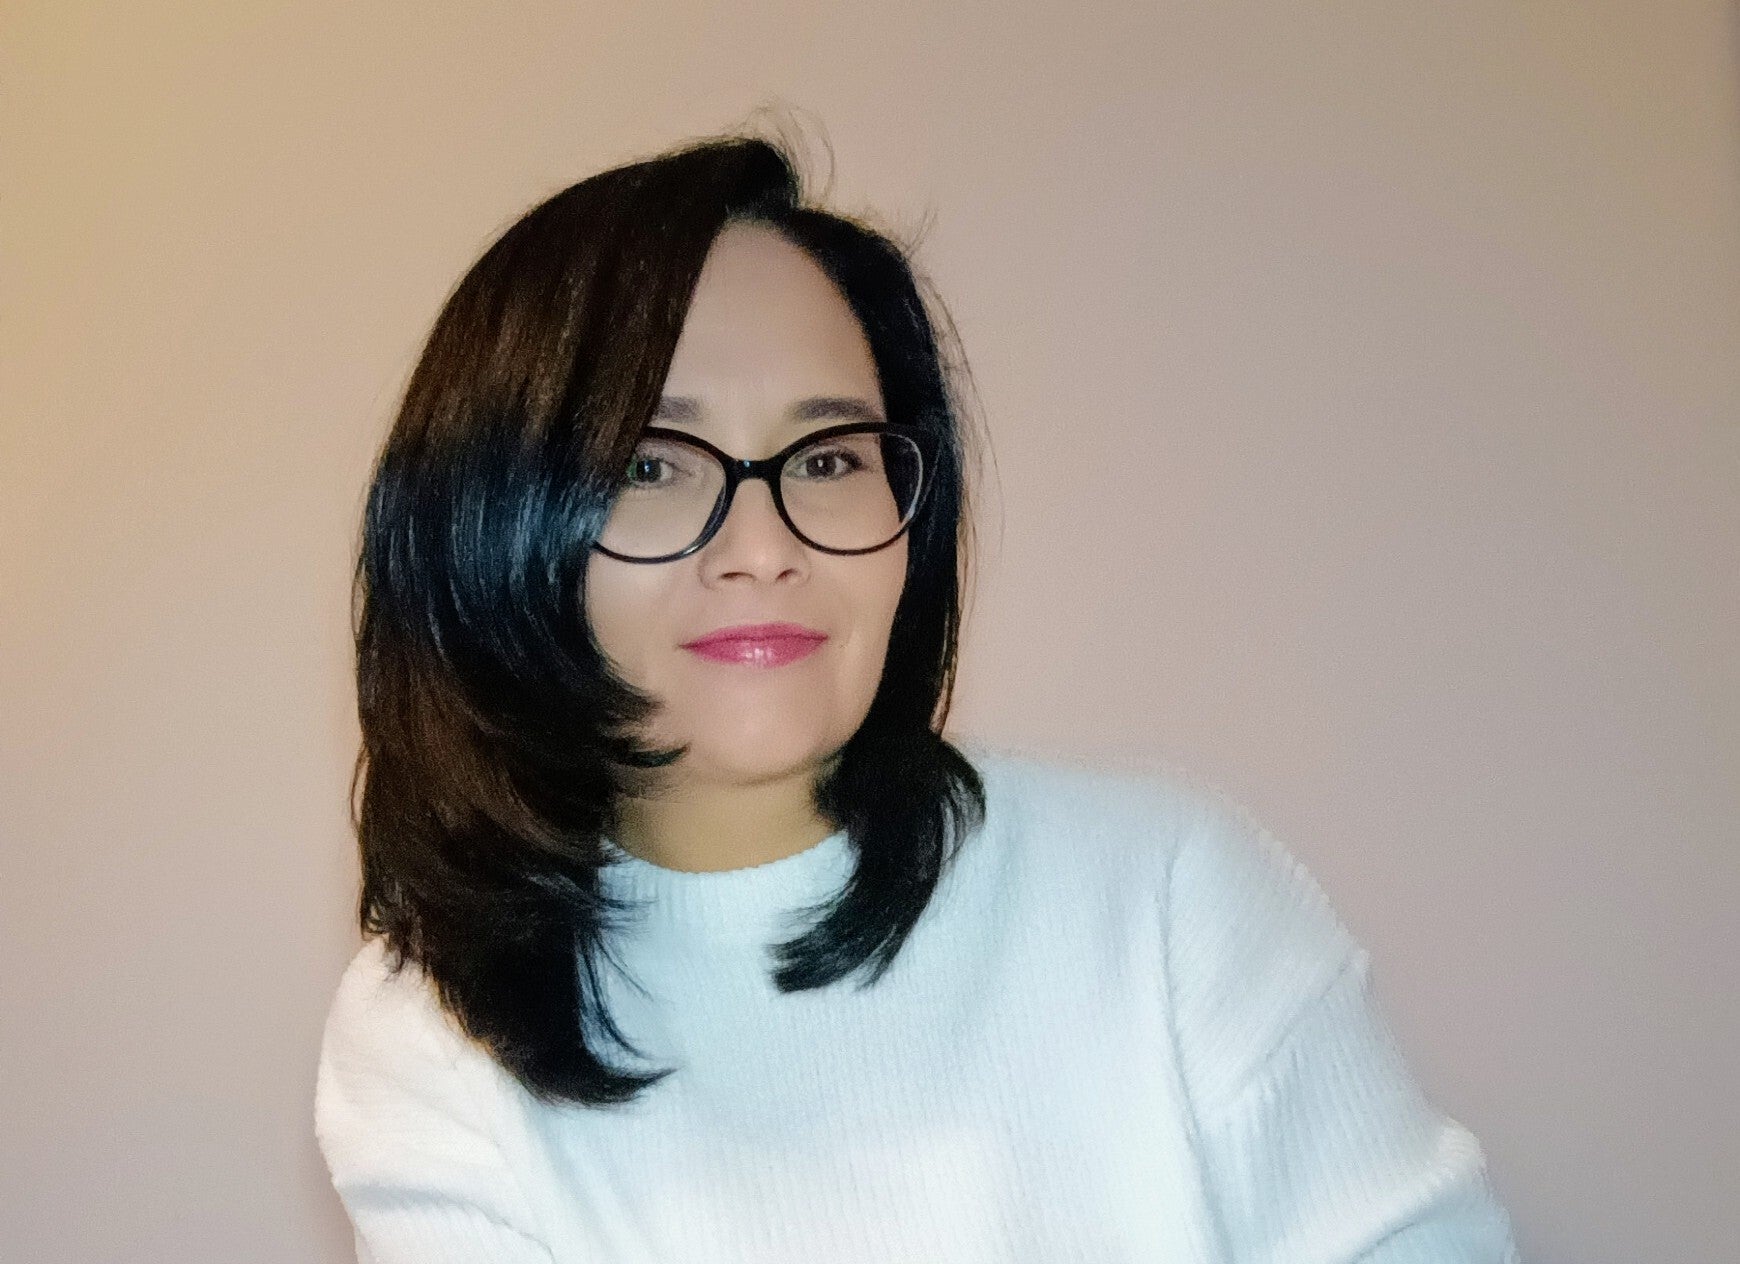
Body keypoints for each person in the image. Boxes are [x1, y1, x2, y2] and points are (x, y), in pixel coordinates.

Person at [314, 129, 1523, 1263]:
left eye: (827, 457)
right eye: (650, 464)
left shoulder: (1165, 900)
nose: (764, 546)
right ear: (491, 524)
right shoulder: (429, 1034)